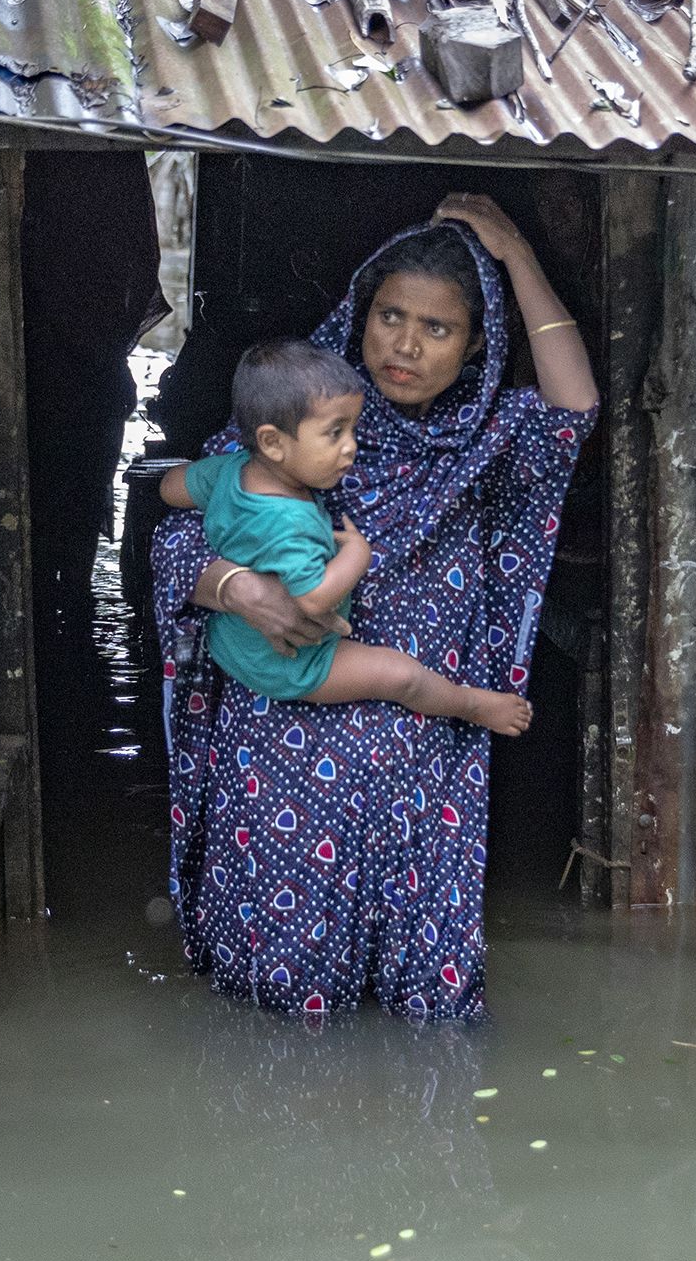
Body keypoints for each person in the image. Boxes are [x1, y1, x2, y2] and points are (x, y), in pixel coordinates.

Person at [149, 194, 598, 1020]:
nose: (405, 343)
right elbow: (179, 531)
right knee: (278, 1012)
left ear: (472, 349)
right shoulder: (298, 420)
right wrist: (239, 588)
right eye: (391, 315)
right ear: (362, 315)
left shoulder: (489, 441)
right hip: (280, 746)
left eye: (437, 328)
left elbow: (574, 410)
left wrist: (517, 257)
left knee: (422, 1014)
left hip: (420, 763)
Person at [160, 339, 535, 736]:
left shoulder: (232, 470)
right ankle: (472, 704)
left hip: (229, 639)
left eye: (352, 429)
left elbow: (171, 486)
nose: (351, 447)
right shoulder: (289, 525)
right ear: (272, 442)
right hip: (289, 662)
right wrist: (357, 552)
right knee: (400, 676)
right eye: (334, 433)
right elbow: (315, 598)